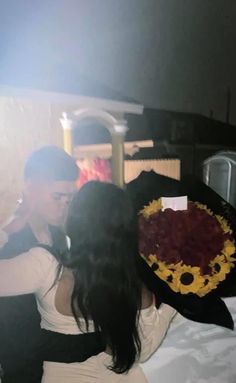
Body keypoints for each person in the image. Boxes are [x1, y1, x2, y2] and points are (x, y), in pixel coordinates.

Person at [0, 181, 176, 382]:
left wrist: (6, 230)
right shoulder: (133, 281)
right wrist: (172, 304)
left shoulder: (47, 266)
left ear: (77, 220)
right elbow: (142, 351)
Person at [0, 146, 104, 383]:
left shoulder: (57, 234)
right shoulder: (10, 246)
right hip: (25, 372)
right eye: (57, 197)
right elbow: (22, 338)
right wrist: (100, 340)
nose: (64, 206)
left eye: (70, 198)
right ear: (30, 186)